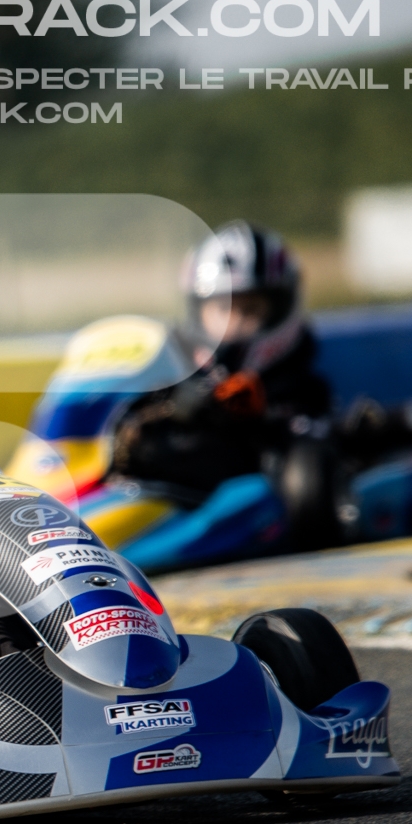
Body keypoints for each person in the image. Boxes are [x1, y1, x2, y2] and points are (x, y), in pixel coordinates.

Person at [86, 223, 334, 568]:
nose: (233, 324)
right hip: (159, 493)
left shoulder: (296, 385)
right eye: (222, 310)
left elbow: (306, 441)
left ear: (279, 311)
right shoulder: (177, 376)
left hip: (242, 493)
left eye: (249, 310)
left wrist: (252, 415)